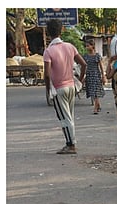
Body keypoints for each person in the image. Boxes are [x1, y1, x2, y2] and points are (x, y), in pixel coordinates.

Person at [42, 18, 86, 155]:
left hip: (58, 88)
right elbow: (83, 64)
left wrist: (48, 90)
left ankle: (70, 144)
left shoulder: (49, 51)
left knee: (64, 118)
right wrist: (80, 80)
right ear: (61, 30)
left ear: (48, 32)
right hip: (71, 85)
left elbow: (47, 74)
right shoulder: (70, 47)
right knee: (69, 116)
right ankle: (71, 142)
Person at [81, 39, 105, 115]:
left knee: (95, 92)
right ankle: (98, 105)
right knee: (92, 91)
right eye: (86, 46)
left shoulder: (97, 56)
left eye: (88, 46)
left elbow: (101, 66)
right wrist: (83, 77)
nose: (87, 47)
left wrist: (103, 76)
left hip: (96, 75)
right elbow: (84, 67)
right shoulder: (85, 56)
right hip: (89, 75)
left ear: (93, 46)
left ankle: (95, 108)